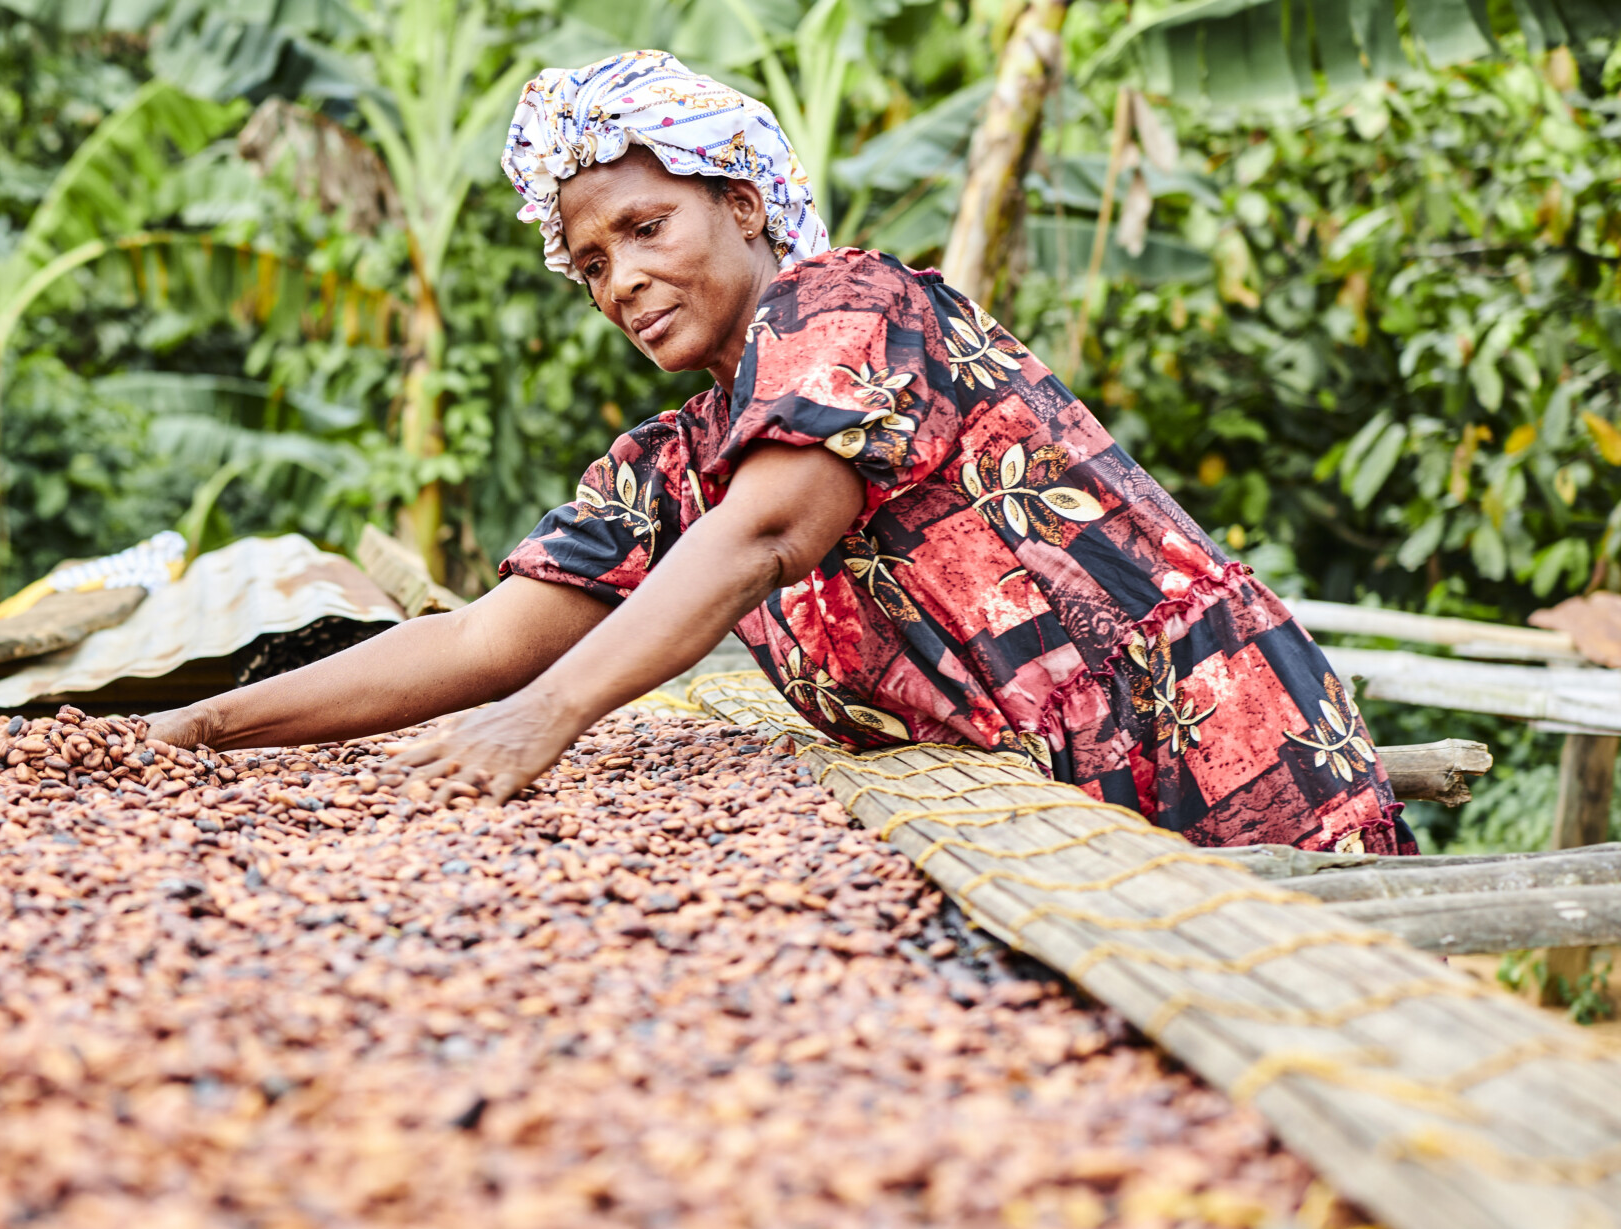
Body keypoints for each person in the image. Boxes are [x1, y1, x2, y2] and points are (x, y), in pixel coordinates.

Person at [147, 50, 1410, 854]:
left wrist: (549, 720)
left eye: (646, 228)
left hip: (1219, 760)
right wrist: (202, 733)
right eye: (591, 262)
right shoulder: (672, 465)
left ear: (743, 205)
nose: (621, 280)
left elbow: (763, 537)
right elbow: (484, 640)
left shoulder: (849, 308)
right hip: (1057, 816)